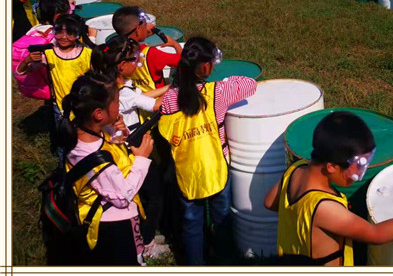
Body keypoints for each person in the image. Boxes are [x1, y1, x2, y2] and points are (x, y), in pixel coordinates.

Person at [264, 111, 393, 266]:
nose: (360, 173)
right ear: (331, 166)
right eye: (357, 165)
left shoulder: (295, 170)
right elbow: (376, 234)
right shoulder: (324, 207)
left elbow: (269, 202)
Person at [157, 37, 257, 265]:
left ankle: (196, 263)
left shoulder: (171, 97)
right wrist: (229, 79)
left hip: (186, 170)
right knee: (222, 218)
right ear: (205, 67)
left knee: (191, 222)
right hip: (216, 168)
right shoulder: (219, 92)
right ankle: (224, 262)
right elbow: (249, 84)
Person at [59, 71, 153, 265]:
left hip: (106, 220)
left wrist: (117, 131)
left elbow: (108, 148)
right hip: (115, 224)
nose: (119, 107)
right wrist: (142, 159)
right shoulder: (95, 158)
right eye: (116, 101)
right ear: (99, 113)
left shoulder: (82, 131)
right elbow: (122, 196)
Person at [90, 36, 171, 260]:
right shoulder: (120, 93)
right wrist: (179, 93)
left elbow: (138, 98)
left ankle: (144, 232)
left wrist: (168, 87)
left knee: (143, 193)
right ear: (121, 65)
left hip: (119, 144)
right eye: (135, 59)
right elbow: (152, 104)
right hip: (130, 147)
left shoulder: (109, 84)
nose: (139, 61)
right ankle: (146, 243)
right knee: (154, 193)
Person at [111, 6, 182, 93]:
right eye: (145, 24)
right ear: (137, 30)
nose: (148, 26)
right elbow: (184, 62)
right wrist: (175, 44)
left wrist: (142, 33)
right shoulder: (151, 54)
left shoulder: (113, 51)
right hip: (155, 103)